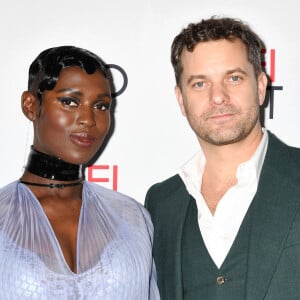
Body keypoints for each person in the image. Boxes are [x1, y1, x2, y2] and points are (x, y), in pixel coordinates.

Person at [145, 16, 300, 300]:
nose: (218, 97)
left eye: (234, 78)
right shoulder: (161, 203)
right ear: (181, 99)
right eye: (200, 84)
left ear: (261, 86)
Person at [0, 46, 159, 299]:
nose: (88, 119)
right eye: (69, 102)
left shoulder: (132, 218)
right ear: (31, 106)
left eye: (101, 106)